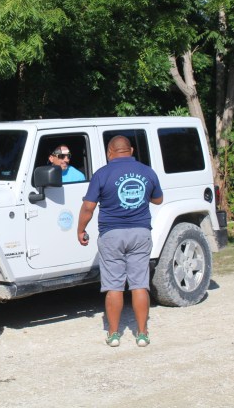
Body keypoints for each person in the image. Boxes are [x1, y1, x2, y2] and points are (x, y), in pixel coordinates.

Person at [77, 135, 163, 347]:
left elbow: (88, 207)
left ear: (109, 153)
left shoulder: (102, 174)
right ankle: (142, 334)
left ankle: (114, 335)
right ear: (131, 150)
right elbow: (158, 199)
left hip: (111, 234)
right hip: (140, 233)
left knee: (114, 286)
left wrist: (81, 229)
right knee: (140, 285)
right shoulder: (147, 171)